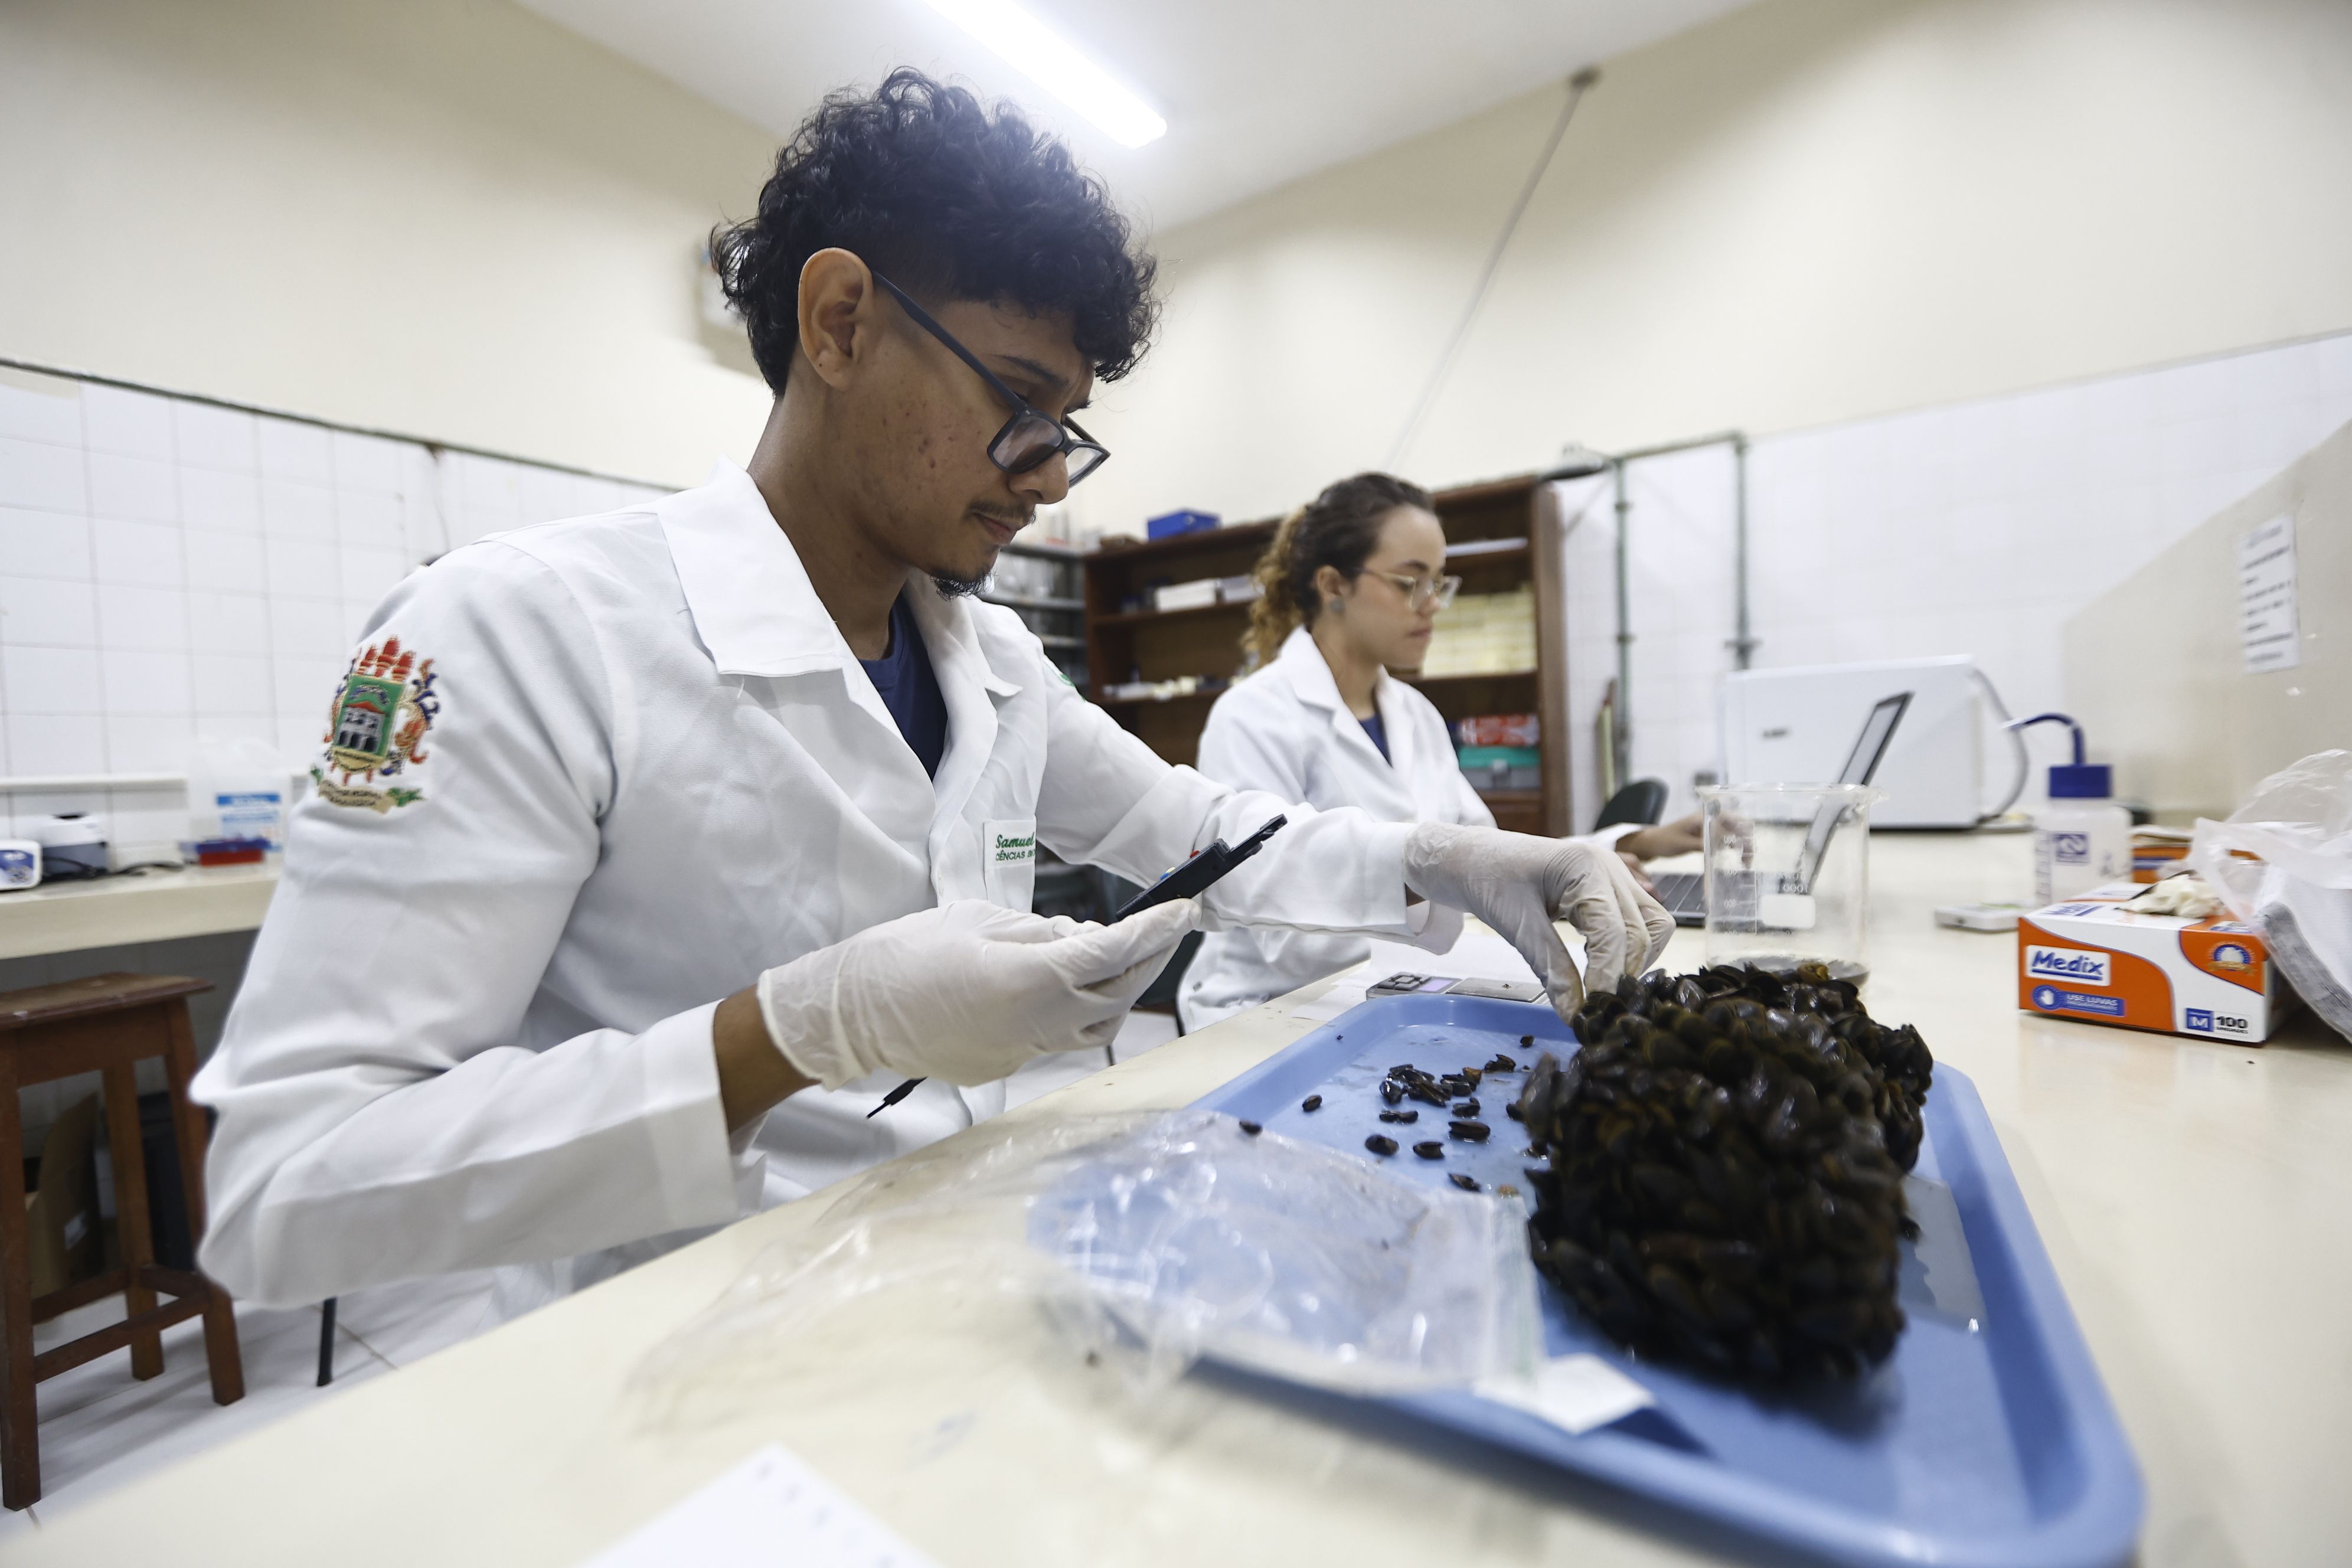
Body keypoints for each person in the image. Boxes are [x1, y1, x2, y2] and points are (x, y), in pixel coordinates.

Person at [192, 72, 1671, 1313]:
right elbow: (284, 1185)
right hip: (671, 1337)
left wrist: (1451, 856)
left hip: (963, 1278)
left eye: (1068, 429)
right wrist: (797, 1030)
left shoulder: (985, 657)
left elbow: (1197, 827)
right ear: (837, 324)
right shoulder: (523, 629)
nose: (1045, 475)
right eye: (1019, 405)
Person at [1179, 475, 1697, 1029]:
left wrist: (1617, 850)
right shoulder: (1254, 717)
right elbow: (1281, 935)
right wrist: (1448, 883)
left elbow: (1491, 856)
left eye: (1440, 586)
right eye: (1411, 583)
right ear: (1334, 585)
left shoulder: (1415, 714)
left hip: (1391, 993)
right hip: (1265, 1013)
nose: (1432, 607)